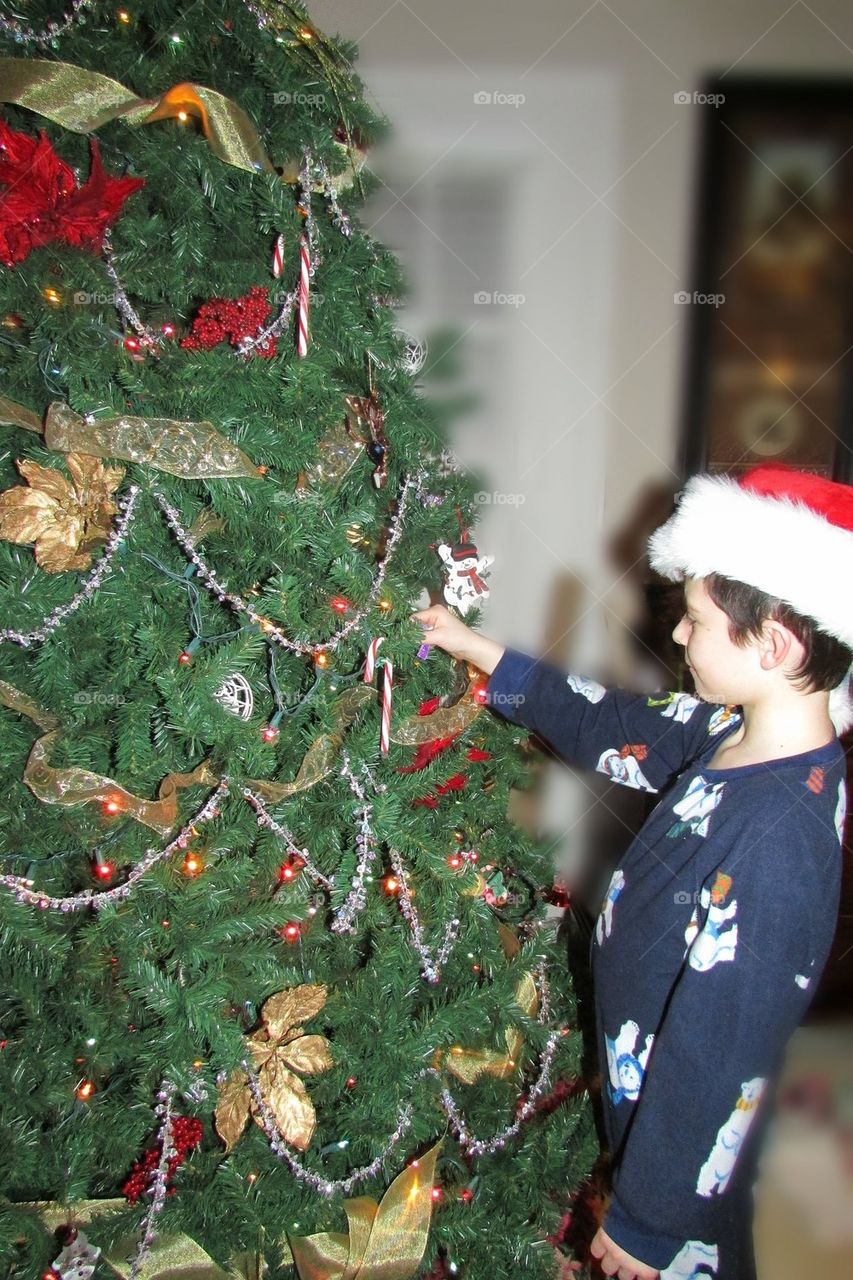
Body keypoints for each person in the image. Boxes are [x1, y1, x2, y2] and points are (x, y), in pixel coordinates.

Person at [412, 464, 852, 1280]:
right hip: (637, 1095)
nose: (678, 636)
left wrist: (649, 1220)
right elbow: (608, 720)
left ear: (775, 643)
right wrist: (480, 652)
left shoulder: (780, 838)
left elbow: (719, 1050)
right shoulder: (731, 730)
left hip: (679, 1161)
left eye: (695, 621)